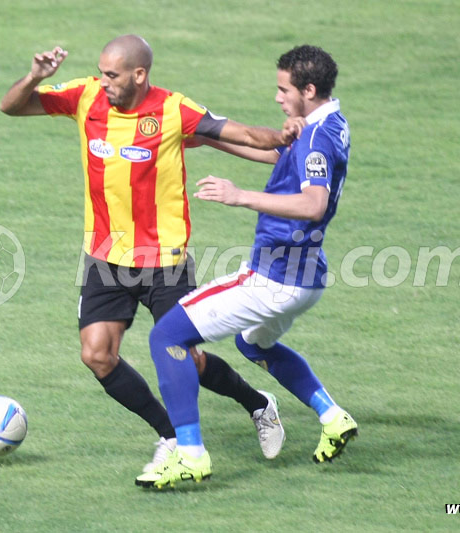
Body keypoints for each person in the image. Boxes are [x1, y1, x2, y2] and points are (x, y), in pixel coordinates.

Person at [0, 35, 298, 481]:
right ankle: (172, 437)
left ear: (140, 75)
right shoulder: (85, 96)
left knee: (187, 360)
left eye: (114, 75)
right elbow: (12, 106)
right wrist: (35, 77)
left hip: (164, 260)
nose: (105, 82)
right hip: (105, 257)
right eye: (102, 72)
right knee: (97, 355)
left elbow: (237, 133)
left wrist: (284, 136)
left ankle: (258, 403)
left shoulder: (173, 110)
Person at [138, 45, 357, 489]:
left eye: (284, 90)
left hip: (273, 279)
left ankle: (190, 455)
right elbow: (282, 159)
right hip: (308, 275)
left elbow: (313, 204)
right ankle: (332, 416)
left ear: (308, 90)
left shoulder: (316, 137)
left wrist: (240, 196)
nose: (278, 98)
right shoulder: (330, 123)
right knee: (254, 343)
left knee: (167, 336)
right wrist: (208, 137)